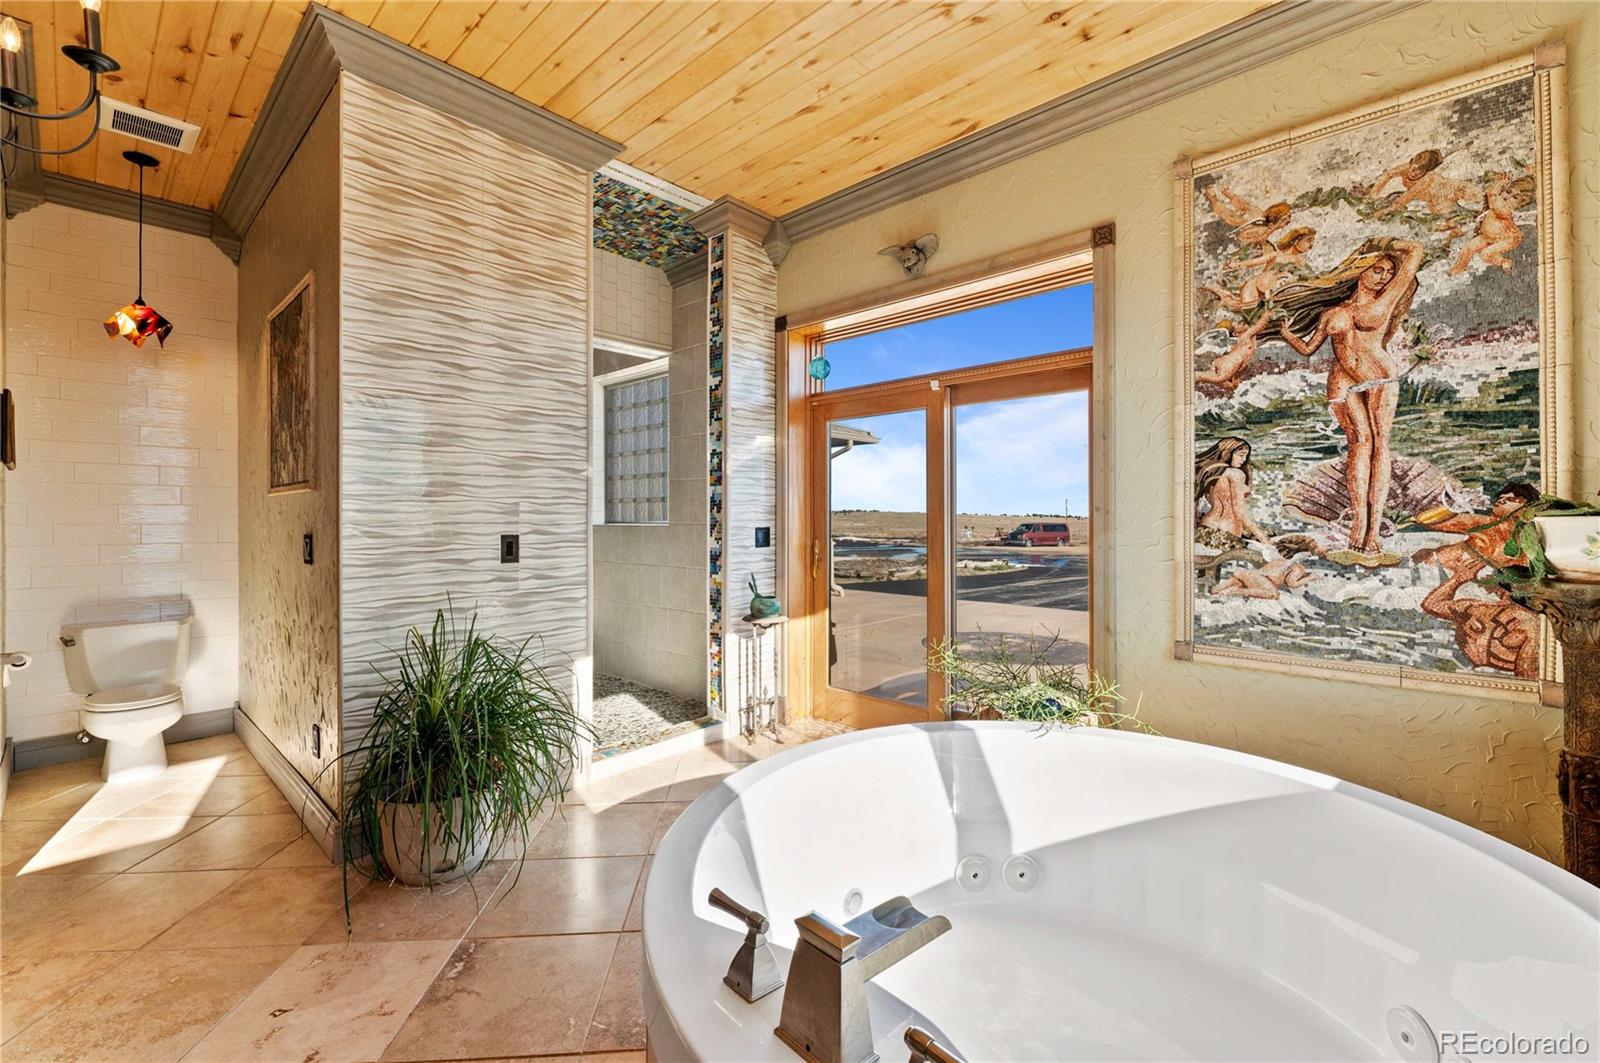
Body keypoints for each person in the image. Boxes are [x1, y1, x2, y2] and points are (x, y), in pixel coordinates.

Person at [1273, 237, 1425, 564]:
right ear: (1360, 270)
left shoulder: (1387, 299)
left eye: (1388, 271)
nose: (1383, 276)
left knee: (1379, 444)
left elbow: (1416, 252)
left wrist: (1386, 242)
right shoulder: (1333, 313)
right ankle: (1358, 523)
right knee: (1359, 443)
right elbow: (1309, 348)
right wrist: (1286, 334)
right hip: (1343, 378)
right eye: (1376, 270)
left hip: (1379, 376)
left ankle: (1372, 533)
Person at [1420, 566, 1540, 678]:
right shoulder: (1532, 624)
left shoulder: (1477, 609)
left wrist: (1459, 578)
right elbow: (1527, 676)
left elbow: (1432, 604)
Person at [1412, 482, 1540, 581]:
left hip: (1444, 571)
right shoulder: (1491, 523)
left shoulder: (1493, 524)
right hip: (1435, 568)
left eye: (1507, 500)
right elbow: (1440, 522)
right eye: (1499, 499)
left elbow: (1437, 521)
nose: (1499, 503)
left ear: (1523, 504)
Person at [1203, 227, 1316, 311]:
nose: (1311, 246)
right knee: (1244, 310)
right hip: (1254, 288)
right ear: (1297, 240)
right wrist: (1234, 265)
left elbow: (1310, 278)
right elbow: (1252, 263)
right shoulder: (1276, 255)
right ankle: (1221, 298)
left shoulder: (1300, 261)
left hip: (1271, 295)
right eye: (1308, 240)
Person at [1450, 171, 1536, 275]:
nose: (1507, 197)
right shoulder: (1499, 201)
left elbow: (1491, 195)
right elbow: (1491, 193)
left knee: (1486, 254)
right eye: (1508, 191)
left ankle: (1504, 262)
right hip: (1487, 235)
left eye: (1515, 197)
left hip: (1508, 238)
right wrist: (1500, 183)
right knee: (1468, 247)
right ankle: (1460, 267)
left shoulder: (1504, 208)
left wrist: (1499, 184)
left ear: (1520, 204)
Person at [1194, 437, 1271, 550]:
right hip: (1226, 533)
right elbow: (1240, 512)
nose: (1244, 459)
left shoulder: (1210, 472)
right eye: (1241, 455)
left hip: (1206, 528)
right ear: (1228, 453)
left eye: (1246, 455)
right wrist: (1264, 540)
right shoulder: (1236, 474)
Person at [1364, 148, 1483, 220]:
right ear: (1411, 163)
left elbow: (1409, 195)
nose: (1413, 173)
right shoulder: (1407, 168)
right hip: (1435, 202)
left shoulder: (1428, 178)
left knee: (1474, 211)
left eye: (1419, 172)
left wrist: (1388, 210)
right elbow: (1388, 174)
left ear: (1426, 171)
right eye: (1413, 168)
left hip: (1452, 191)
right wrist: (1373, 193)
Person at [1195, 315, 1273, 391]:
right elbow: (1258, 326)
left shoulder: (1247, 341)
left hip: (1228, 364)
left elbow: (1239, 364)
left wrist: (1235, 377)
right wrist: (1267, 314)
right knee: (1214, 377)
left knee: (1232, 386)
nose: (1243, 323)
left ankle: (1201, 377)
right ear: (1236, 334)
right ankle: (1197, 376)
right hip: (1227, 365)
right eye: (1240, 324)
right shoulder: (1244, 338)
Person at [1203, 185, 1293, 249]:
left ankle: (1223, 195)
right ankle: (1214, 197)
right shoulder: (1264, 229)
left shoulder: (1260, 215)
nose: (1287, 222)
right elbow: (1242, 237)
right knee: (1230, 216)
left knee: (1239, 213)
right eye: (1285, 219)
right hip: (1232, 229)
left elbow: (1244, 207)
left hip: (1241, 223)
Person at [1214, 548, 1319, 600]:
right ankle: (1236, 591)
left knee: (1240, 582)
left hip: (1249, 575)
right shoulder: (1299, 568)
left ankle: (1222, 587)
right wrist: (1311, 578)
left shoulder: (1280, 558)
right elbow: (1292, 583)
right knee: (1274, 594)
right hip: (1262, 579)